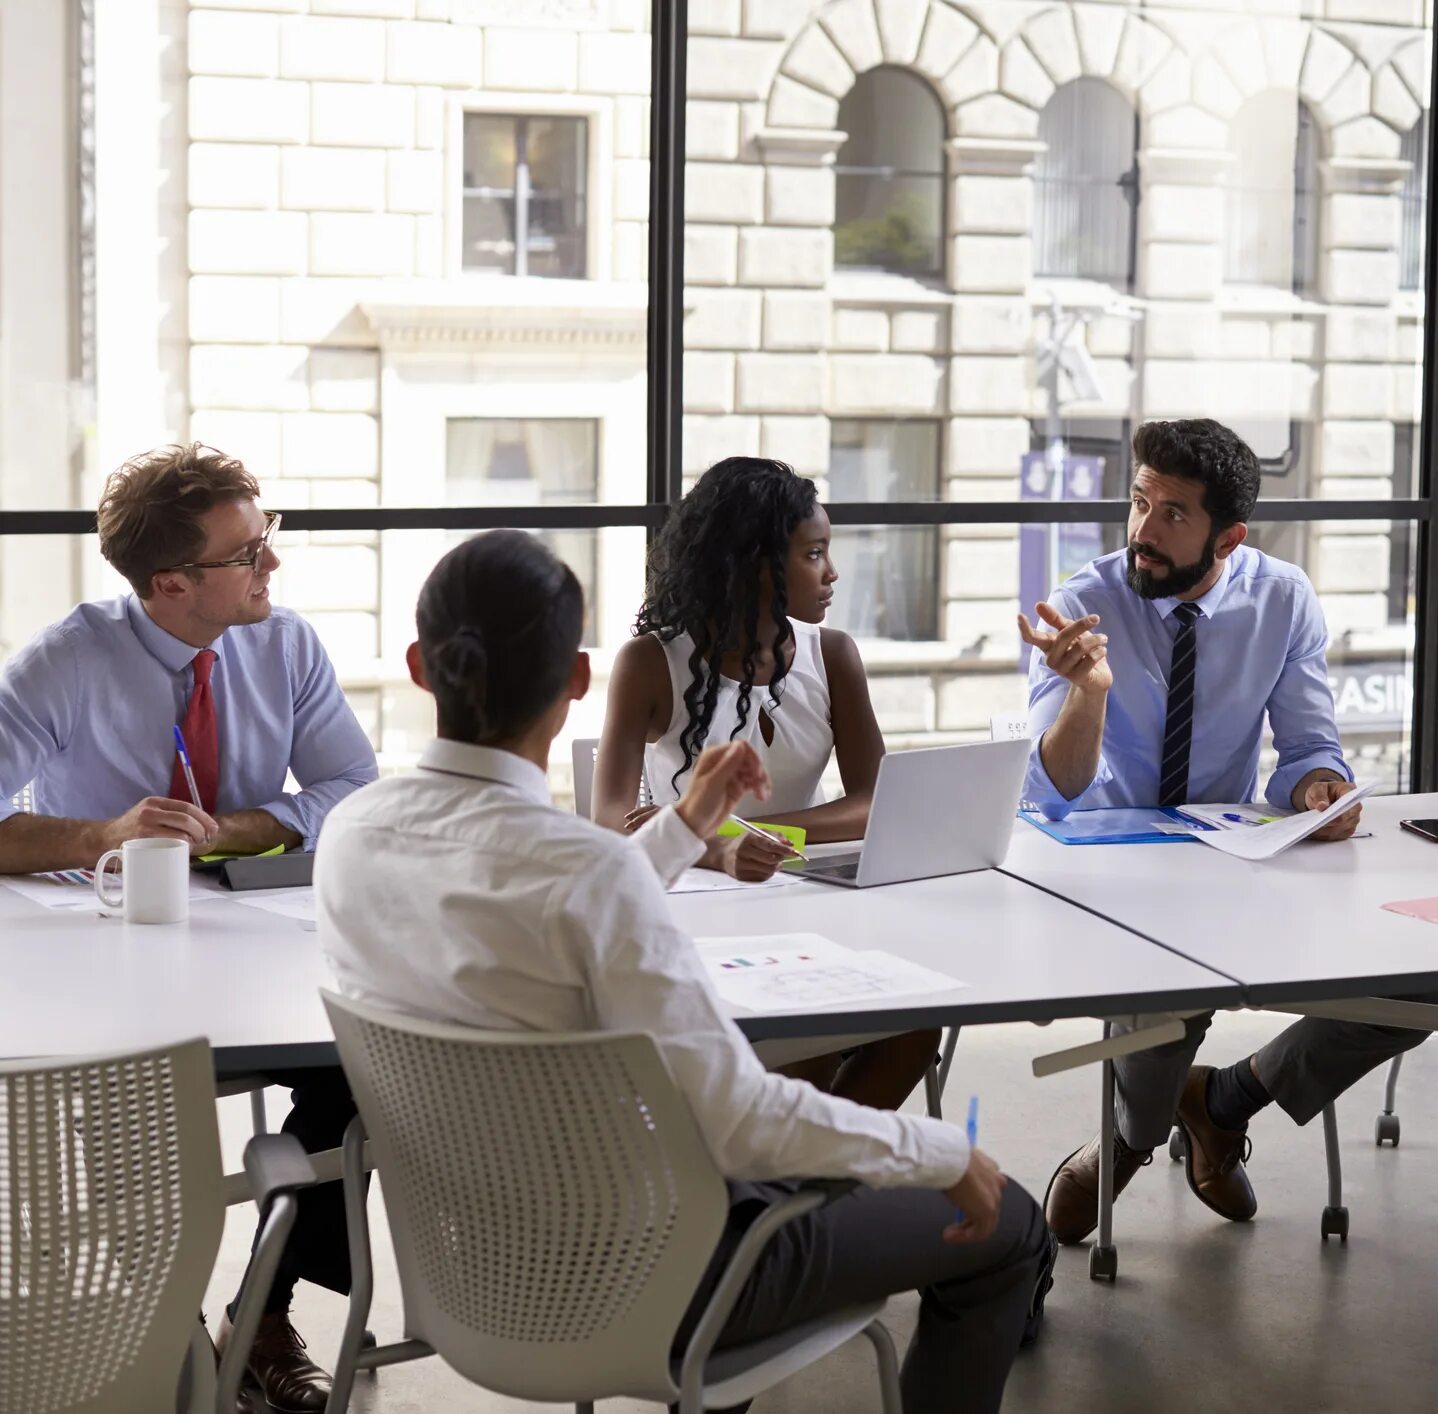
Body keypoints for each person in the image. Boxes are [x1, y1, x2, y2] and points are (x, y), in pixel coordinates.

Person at [317, 530, 1052, 1413]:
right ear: (577, 681)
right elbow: (740, 1123)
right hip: (659, 1278)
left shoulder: (354, 833)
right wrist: (943, 1152)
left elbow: (570, 900)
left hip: (470, 1270)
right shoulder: (585, 872)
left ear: (417, 667)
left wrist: (687, 824)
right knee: (1010, 1224)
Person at [0, 443, 379, 1412]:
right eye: (248, 552)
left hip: (254, 946)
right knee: (136, 1106)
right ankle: (156, 1329)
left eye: (268, 538)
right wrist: (102, 831)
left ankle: (261, 1315)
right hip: (108, 957)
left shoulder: (284, 644)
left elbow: (356, 791)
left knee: (358, 1065)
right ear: (171, 583)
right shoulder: (68, 659)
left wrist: (236, 829)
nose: (272, 565)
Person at [1019, 417, 1438, 1244]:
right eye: (1139, 502)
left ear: (1230, 535)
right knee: (1165, 995)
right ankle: (1127, 1146)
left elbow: (1309, 749)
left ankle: (1222, 1100)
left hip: (1228, 855)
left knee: (1413, 994)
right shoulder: (1081, 603)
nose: (1143, 529)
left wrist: (1320, 787)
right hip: (1108, 866)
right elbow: (1053, 790)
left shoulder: (1281, 598)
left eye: (1172, 513)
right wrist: (1089, 693)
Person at [595, 457, 940, 1112]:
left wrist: (762, 834)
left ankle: (808, 1193)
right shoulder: (648, 664)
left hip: (809, 903)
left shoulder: (831, 654)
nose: (833, 573)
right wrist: (713, 845)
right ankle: (794, 1195)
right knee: (805, 1046)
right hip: (692, 911)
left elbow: (876, 803)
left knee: (917, 1026)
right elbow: (610, 828)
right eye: (813, 554)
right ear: (754, 564)